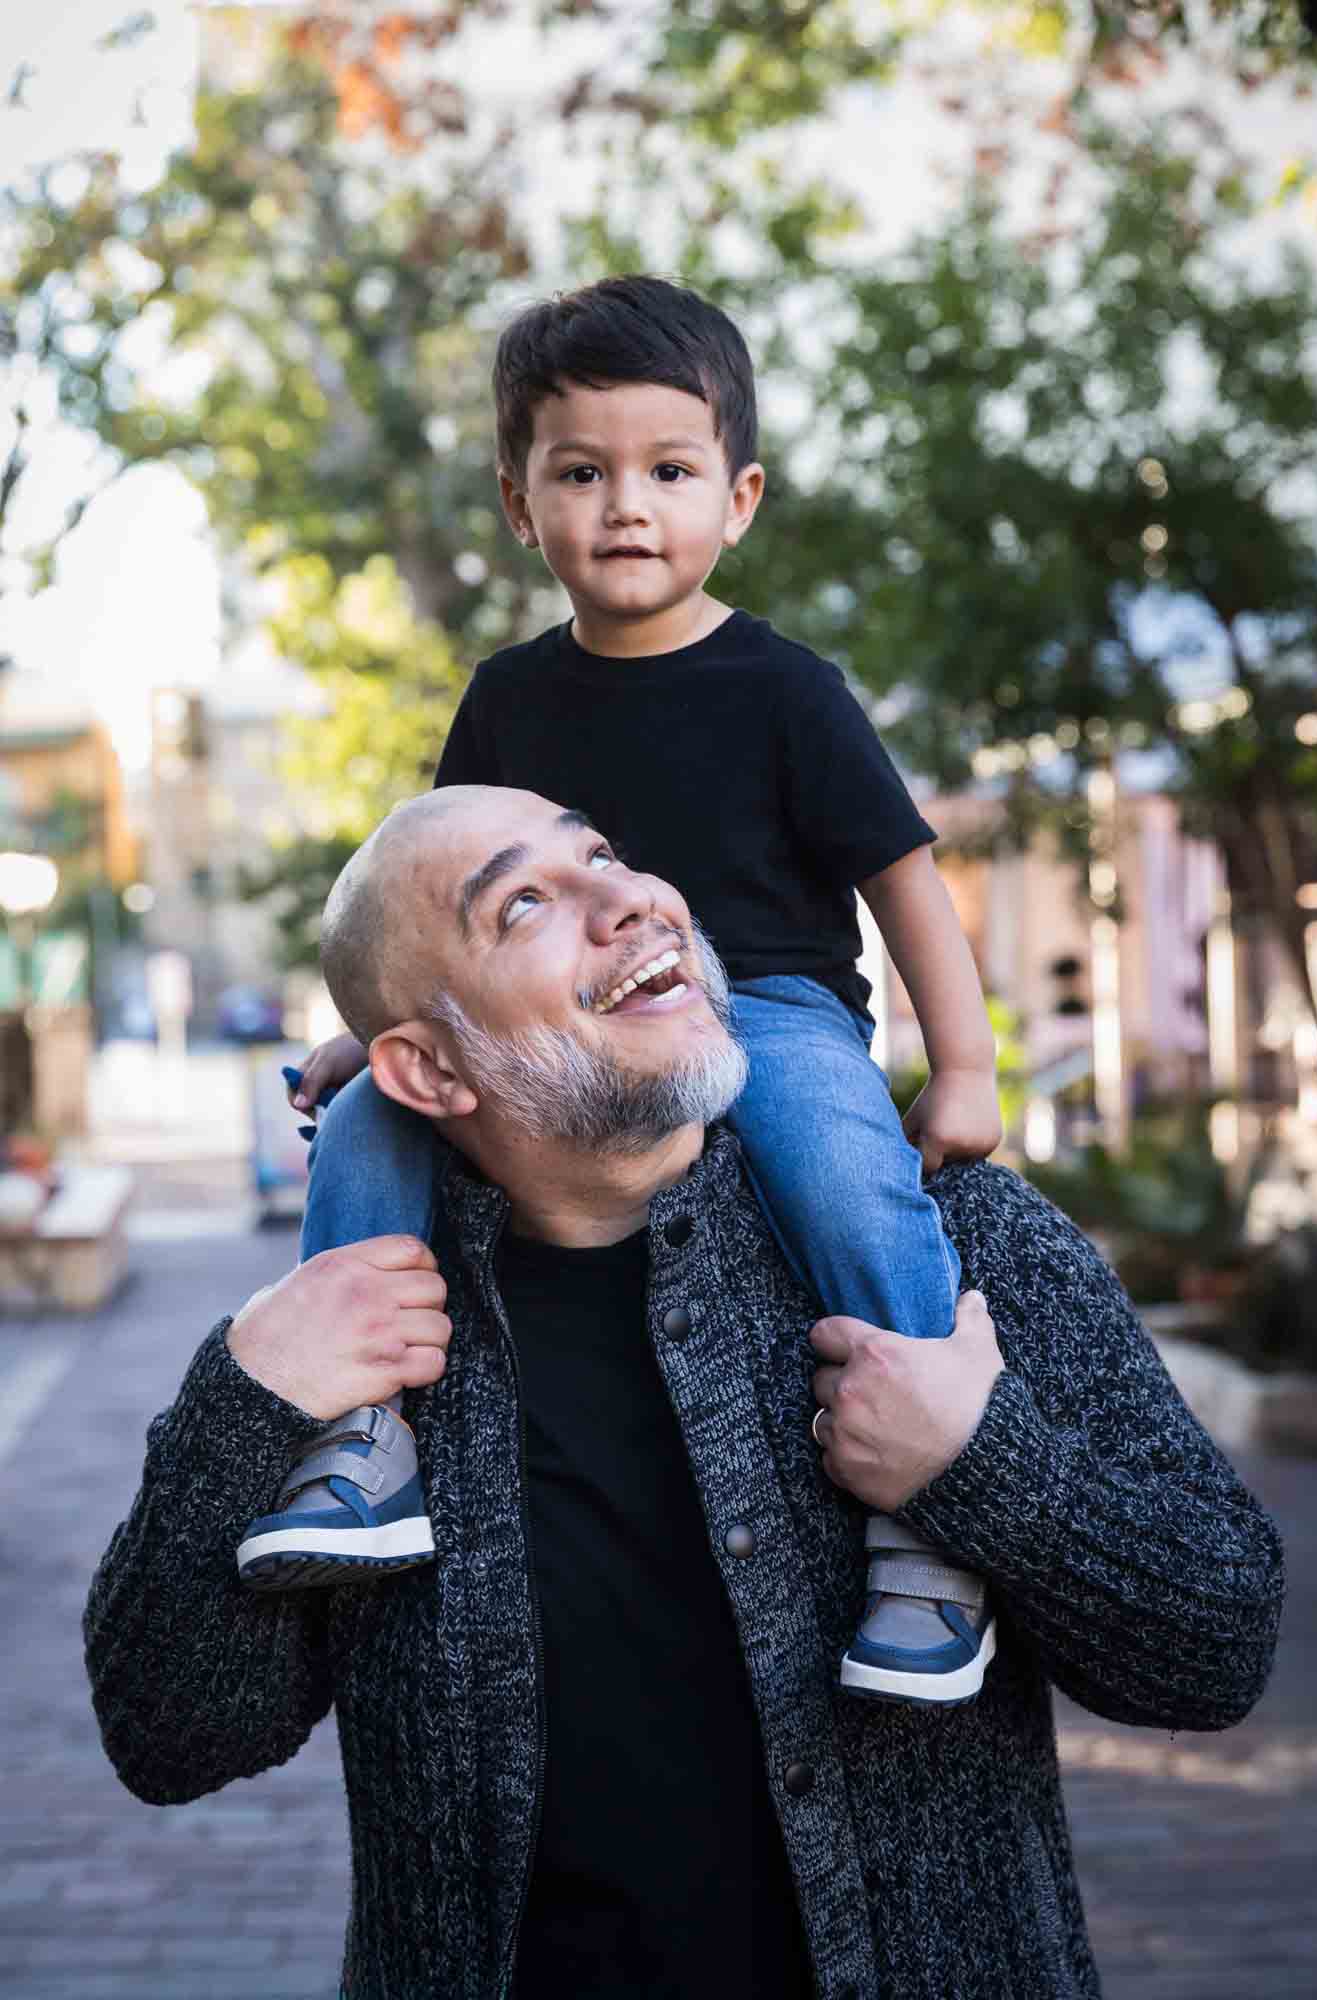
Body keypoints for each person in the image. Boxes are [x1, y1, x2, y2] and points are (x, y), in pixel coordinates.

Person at [85, 786, 1285, 2000]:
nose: (632, 899)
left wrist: (980, 1465)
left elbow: (1213, 1649)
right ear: (428, 1067)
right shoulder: (339, 1347)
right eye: (526, 903)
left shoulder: (948, 1239)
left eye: (605, 851)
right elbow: (173, 1737)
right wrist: (243, 1402)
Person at [239, 274, 1004, 1706]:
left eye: (668, 470)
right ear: (522, 506)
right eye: (580, 473)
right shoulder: (508, 699)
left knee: (843, 1169)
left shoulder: (787, 689)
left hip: (766, 1005)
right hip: (553, 1027)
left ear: (741, 496)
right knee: (363, 1133)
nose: (626, 506)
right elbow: (440, 918)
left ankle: (926, 1523)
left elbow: (905, 875)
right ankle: (357, 1444)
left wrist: (960, 1065)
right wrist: (373, 1040)